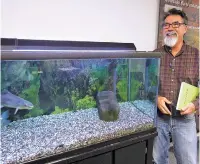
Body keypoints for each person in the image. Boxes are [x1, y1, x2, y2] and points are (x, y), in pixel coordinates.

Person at [153, 8, 199, 164]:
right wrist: (156, 98)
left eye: (175, 24)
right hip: (159, 118)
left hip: (185, 119)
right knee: (158, 160)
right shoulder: (155, 55)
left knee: (188, 161)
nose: (170, 28)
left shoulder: (196, 55)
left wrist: (195, 105)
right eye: (166, 25)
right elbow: (144, 87)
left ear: (185, 28)